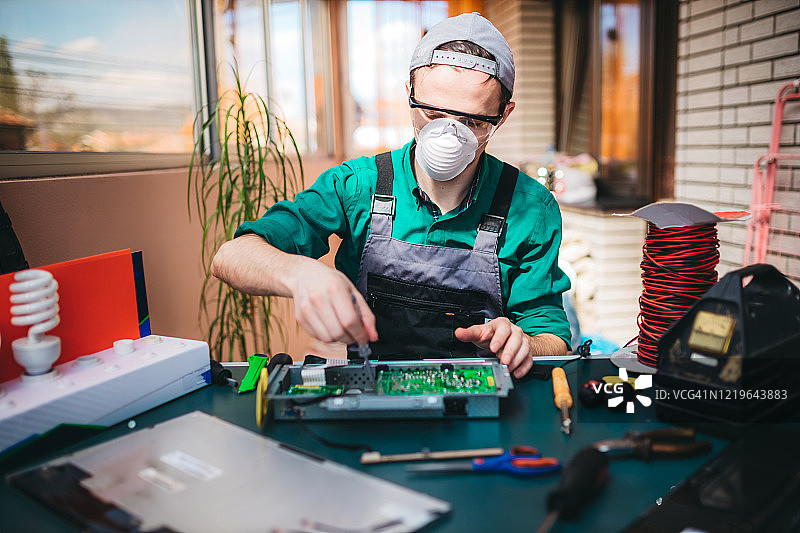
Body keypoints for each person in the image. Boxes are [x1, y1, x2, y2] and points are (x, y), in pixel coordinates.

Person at [211, 12, 571, 378]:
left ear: (503, 115)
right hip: (370, 393)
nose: (448, 137)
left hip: (484, 393)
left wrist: (525, 344)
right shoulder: (358, 185)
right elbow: (231, 256)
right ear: (409, 92)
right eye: (433, 114)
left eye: (472, 122)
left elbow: (554, 339)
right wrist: (300, 273)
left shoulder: (532, 208)